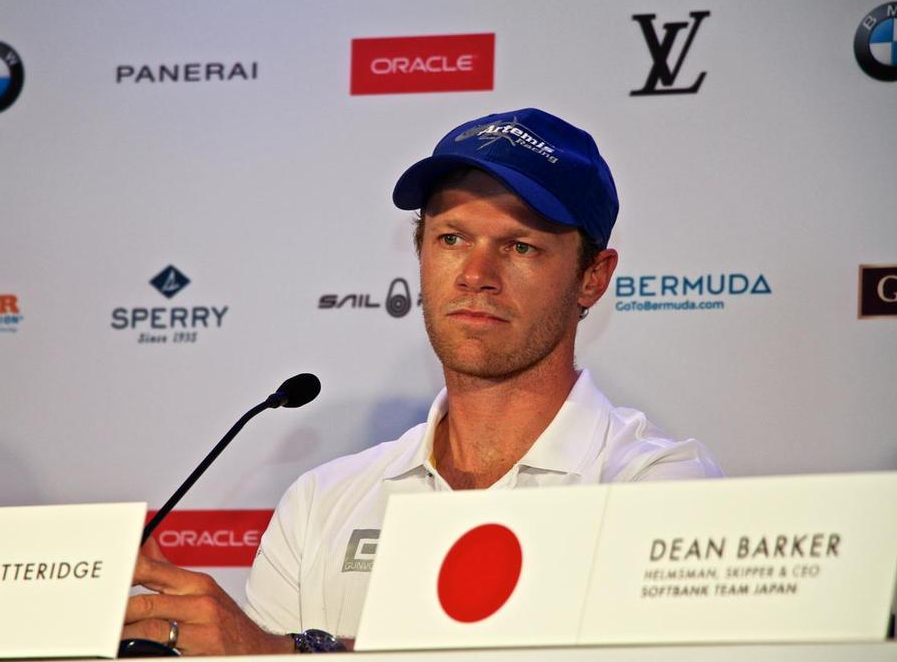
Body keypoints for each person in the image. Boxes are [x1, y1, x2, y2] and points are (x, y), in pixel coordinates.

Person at [121, 108, 723, 655]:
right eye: (452, 239)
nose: (476, 275)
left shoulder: (657, 487)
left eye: (519, 246)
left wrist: (287, 655)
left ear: (593, 276)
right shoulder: (321, 502)